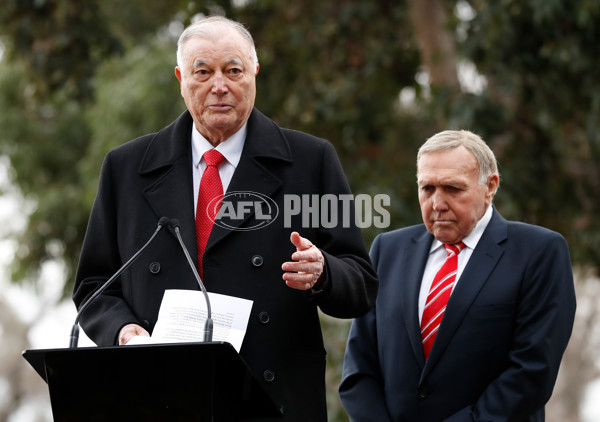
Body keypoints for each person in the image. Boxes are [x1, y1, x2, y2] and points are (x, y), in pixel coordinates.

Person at [73, 15, 378, 422]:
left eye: (233, 70)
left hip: (269, 400)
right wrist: (125, 334)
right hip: (160, 396)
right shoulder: (127, 168)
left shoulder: (309, 162)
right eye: (203, 72)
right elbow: (94, 287)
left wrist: (324, 273)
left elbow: (360, 283)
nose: (219, 86)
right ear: (181, 77)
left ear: (254, 72)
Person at [339, 130, 576, 421]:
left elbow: (531, 371)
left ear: (490, 186)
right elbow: (358, 369)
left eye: (452, 188)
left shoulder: (539, 252)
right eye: (427, 189)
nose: (437, 203)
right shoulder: (387, 250)